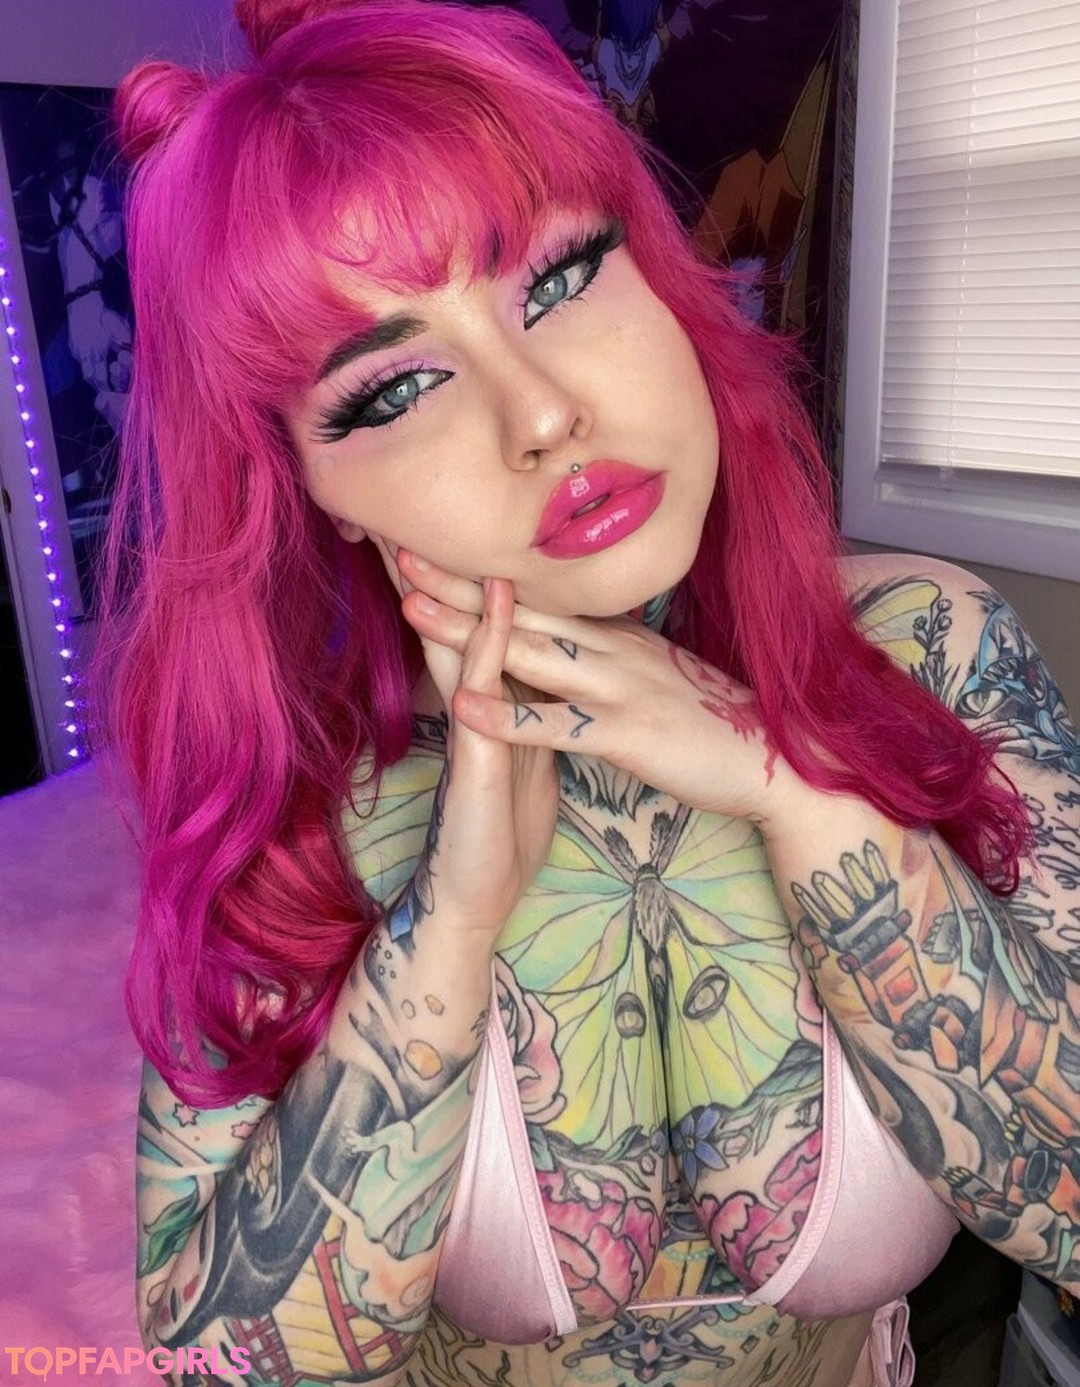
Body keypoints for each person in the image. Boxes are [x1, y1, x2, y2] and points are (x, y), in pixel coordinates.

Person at [91, 1, 1080, 1383]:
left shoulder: (932, 648)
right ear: (309, 491)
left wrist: (793, 788)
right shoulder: (306, 798)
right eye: (395, 390)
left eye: (558, 278)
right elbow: (219, 1363)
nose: (543, 411)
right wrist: (452, 917)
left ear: (659, 278)